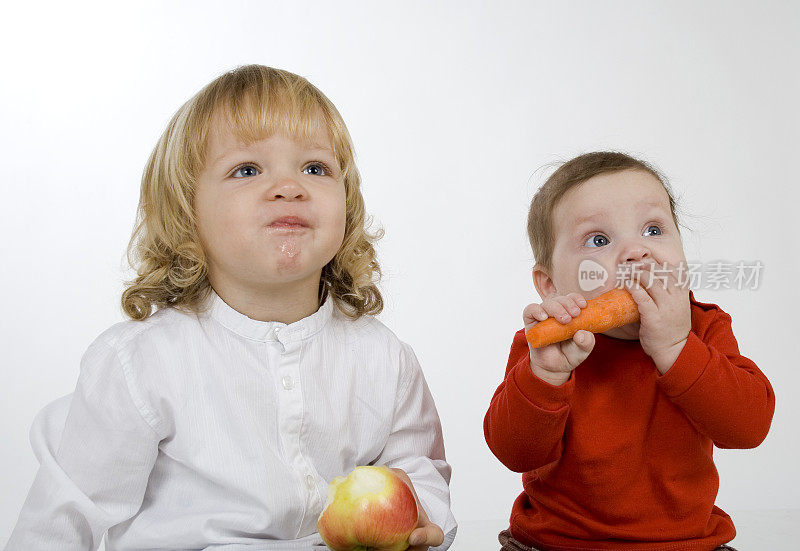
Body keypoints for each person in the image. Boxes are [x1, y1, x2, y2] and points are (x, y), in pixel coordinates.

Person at [6, 64, 456, 551]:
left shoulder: (384, 358)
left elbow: (418, 470)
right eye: (247, 169)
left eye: (315, 168)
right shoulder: (141, 363)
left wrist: (422, 518)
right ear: (187, 211)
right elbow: (66, 516)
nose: (289, 186)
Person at [483, 151, 774, 551]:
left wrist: (676, 348)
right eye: (599, 240)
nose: (637, 252)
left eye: (654, 230)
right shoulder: (548, 346)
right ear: (550, 285)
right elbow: (516, 452)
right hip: (557, 543)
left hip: (687, 543)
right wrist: (545, 377)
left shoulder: (703, 328)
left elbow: (748, 427)